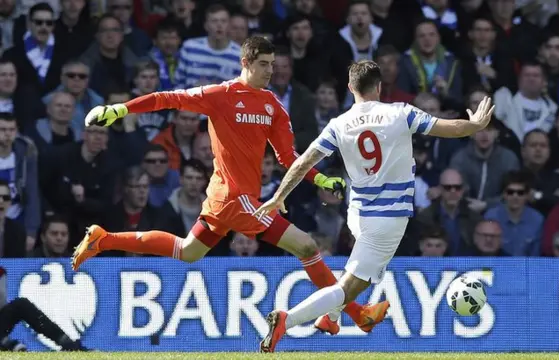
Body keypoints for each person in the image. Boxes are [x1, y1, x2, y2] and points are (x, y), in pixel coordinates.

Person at [71, 36, 386, 334]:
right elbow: (168, 98)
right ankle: (358, 314)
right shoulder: (219, 96)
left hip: (231, 200)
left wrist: (320, 178)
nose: (270, 70)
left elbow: (288, 156)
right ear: (246, 62)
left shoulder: (273, 106)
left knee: (188, 251)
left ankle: (104, 239)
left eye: (273, 64)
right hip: (234, 198)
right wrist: (122, 108)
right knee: (306, 246)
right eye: (264, 63)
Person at [254, 59, 495, 353]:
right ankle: (286, 320)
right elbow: (450, 129)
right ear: (379, 87)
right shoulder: (400, 113)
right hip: (388, 218)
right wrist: (476, 124)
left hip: (357, 213)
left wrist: (279, 196)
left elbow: (303, 162)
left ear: (350, 88)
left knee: (351, 279)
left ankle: (331, 320)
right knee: (346, 291)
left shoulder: (338, 124)